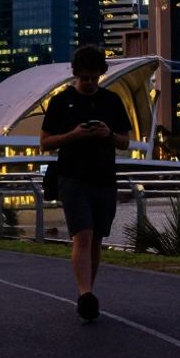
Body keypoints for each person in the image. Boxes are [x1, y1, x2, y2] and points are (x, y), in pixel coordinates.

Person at [39, 45, 135, 324]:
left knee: (96, 239)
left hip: (104, 177)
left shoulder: (112, 101)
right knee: (82, 234)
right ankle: (84, 294)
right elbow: (45, 142)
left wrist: (108, 134)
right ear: (75, 75)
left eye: (95, 78)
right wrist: (73, 135)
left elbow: (125, 142)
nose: (90, 83)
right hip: (72, 176)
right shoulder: (61, 102)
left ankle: (87, 293)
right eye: (85, 79)